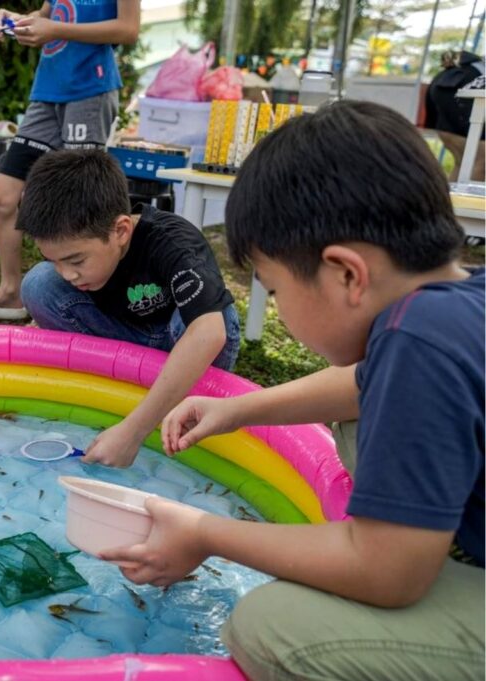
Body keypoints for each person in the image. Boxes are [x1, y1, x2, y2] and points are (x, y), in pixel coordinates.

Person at [103, 101, 484, 680]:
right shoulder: (455, 303)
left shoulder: (419, 340)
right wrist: (235, 410)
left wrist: (205, 533)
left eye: (275, 291)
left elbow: (386, 574)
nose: (277, 306)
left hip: (409, 569)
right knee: (359, 418)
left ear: (346, 275)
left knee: (271, 626)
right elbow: (364, 384)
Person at [17, 149, 241, 467]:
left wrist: (133, 431)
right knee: (38, 285)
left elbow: (210, 333)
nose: (67, 274)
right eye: (55, 260)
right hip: (126, 336)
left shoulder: (172, 242)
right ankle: (124, 381)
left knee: (215, 316)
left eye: (76, 260)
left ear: (121, 231)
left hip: (180, 340)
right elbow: (53, 283)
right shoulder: (76, 257)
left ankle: (174, 394)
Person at [0, 0, 141, 320]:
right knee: (1, 196)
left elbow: (128, 29)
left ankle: (99, 297)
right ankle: (11, 292)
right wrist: (16, 21)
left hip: (90, 89)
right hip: (46, 92)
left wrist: (54, 30)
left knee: (82, 204)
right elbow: (46, 16)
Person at [424, 50, 484, 182]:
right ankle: (467, 202)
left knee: (463, 163)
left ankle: (450, 200)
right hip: (462, 103)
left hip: (445, 117)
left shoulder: (463, 69)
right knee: (482, 161)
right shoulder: (473, 72)